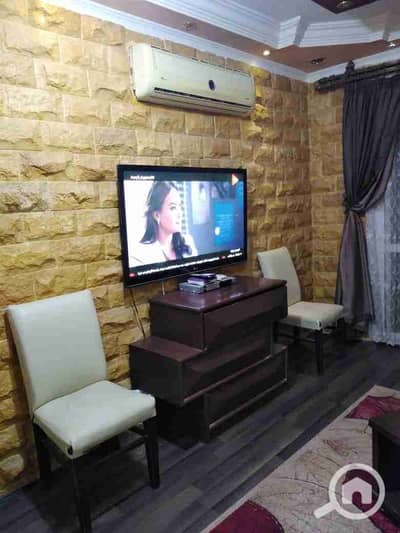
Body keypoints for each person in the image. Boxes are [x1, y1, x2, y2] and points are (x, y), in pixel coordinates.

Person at [129, 181, 197, 266]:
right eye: (173, 208)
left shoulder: (188, 242)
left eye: (180, 206)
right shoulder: (140, 254)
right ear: (157, 215)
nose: (180, 213)